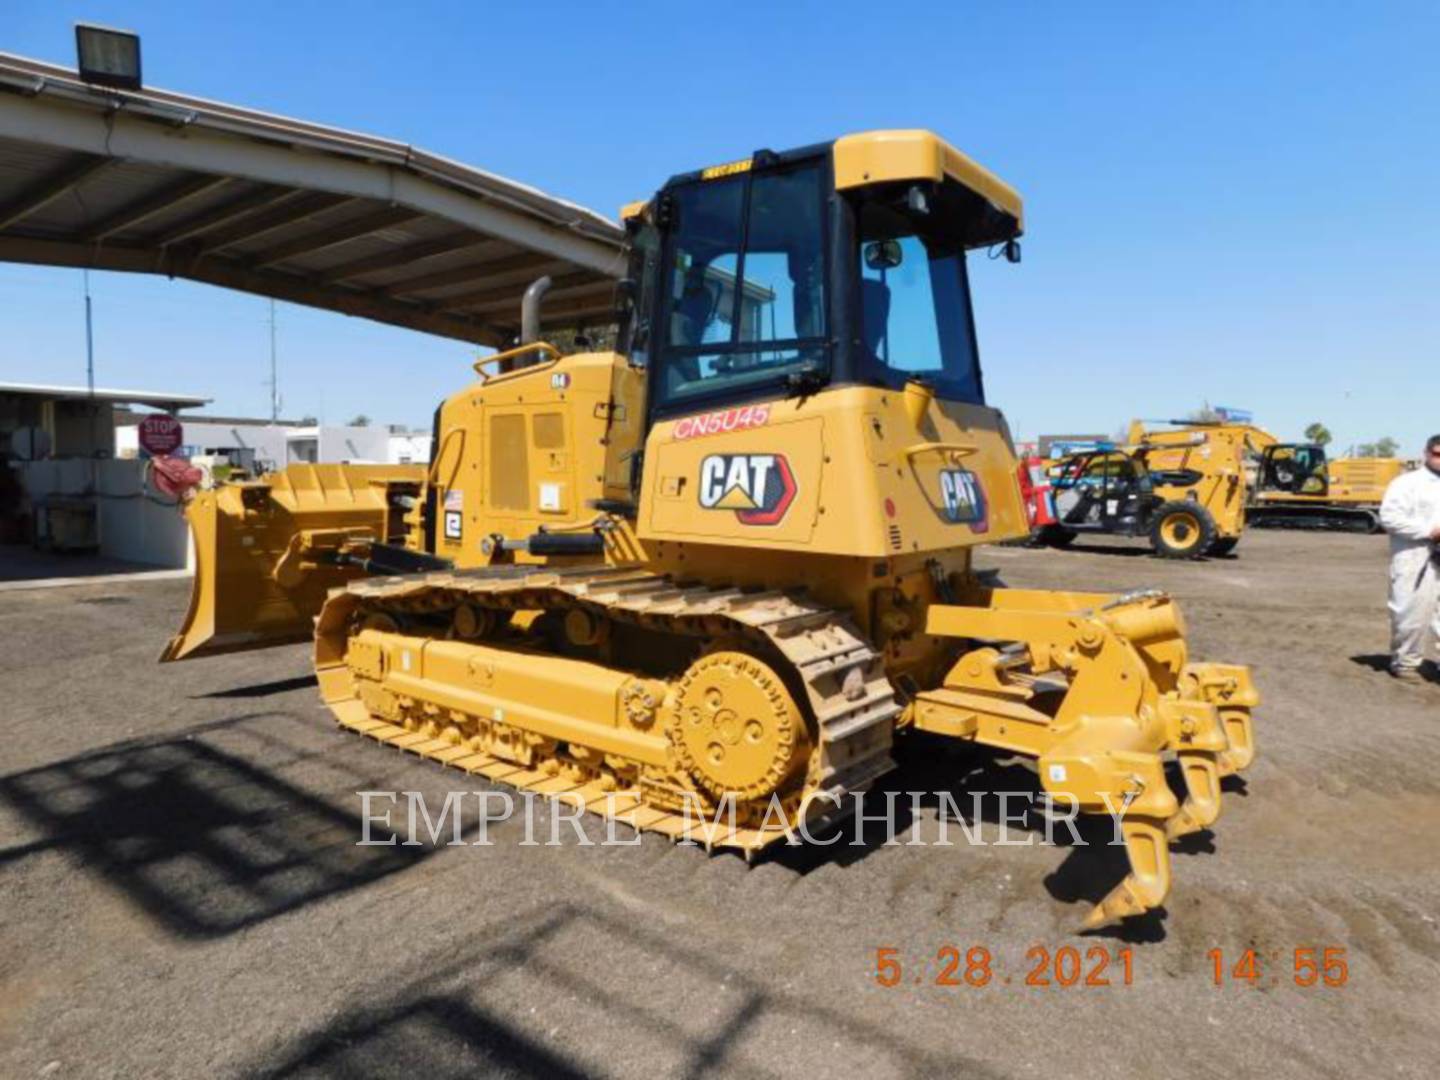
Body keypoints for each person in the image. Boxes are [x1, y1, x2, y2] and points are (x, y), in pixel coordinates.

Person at [1378, 435, 1440, 682]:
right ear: (1426, 453)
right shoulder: (1406, 484)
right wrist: (1429, 530)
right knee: (1410, 613)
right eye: (1437, 453)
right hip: (1415, 558)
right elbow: (1390, 517)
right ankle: (1406, 663)